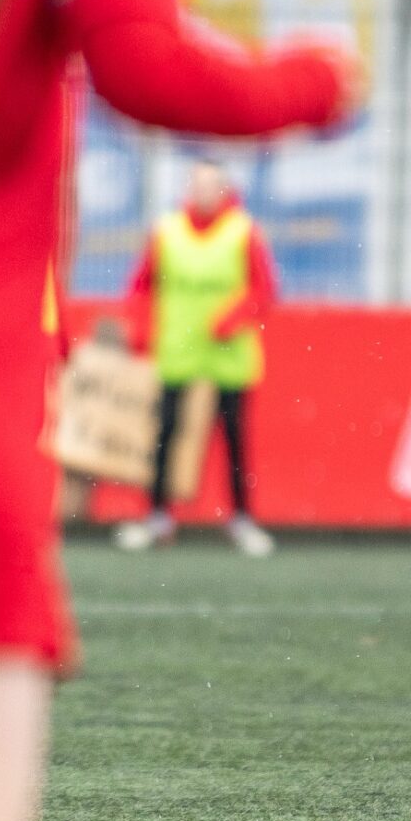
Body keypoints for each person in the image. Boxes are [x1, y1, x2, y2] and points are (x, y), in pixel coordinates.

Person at [0, 0, 357, 821]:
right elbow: (150, 67)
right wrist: (319, 79)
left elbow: (259, 291)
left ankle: (224, 517)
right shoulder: (171, 232)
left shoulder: (230, 233)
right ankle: (173, 516)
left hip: (214, 363)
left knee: (225, 447)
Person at [114, 159, 279, 558]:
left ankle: (241, 519)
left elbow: (265, 291)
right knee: (164, 432)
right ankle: (156, 516)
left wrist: (232, 319)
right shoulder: (166, 232)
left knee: (235, 437)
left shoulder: (243, 232)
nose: (204, 193)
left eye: (212, 186)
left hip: (228, 354)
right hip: (178, 350)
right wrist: (139, 333)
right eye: (198, 185)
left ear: (224, 191)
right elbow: (140, 287)